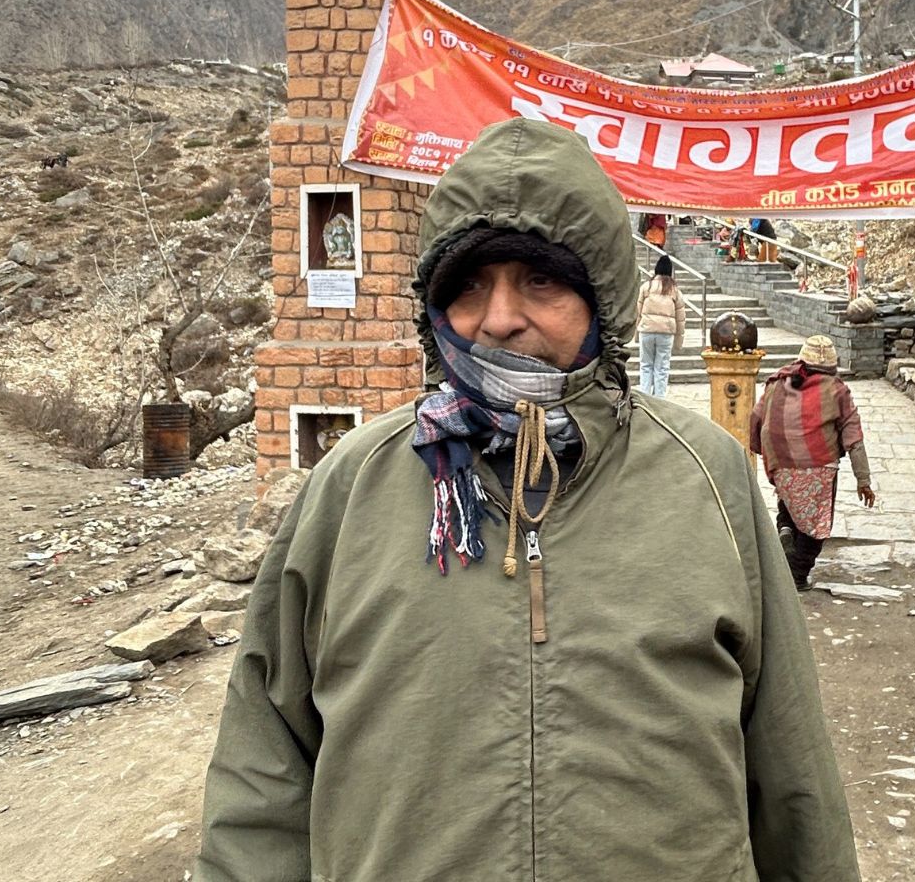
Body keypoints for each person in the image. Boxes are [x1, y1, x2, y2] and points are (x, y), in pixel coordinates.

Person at [194, 118, 859, 882]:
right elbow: (262, 775)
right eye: (469, 285)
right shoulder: (351, 487)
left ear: (602, 298)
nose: (499, 317)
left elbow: (791, 764)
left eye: (540, 280)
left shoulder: (706, 476)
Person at [750, 336, 876, 591]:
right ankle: (797, 575)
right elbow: (854, 438)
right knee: (816, 524)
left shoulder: (778, 382)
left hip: (780, 459)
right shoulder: (837, 390)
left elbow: (756, 418)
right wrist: (863, 480)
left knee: (789, 503)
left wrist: (761, 450)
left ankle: (786, 532)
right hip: (818, 463)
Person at [635, 254, 686, 397]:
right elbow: (681, 318)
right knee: (662, 368)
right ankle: (659, 399)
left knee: (645, 365)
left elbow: (638, 312)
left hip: (647, 330)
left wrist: (637, 332)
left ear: (656, 269)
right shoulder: (675, 290)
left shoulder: (646, 287)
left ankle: (645, 397)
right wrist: (679, 341)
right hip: (666, 333)